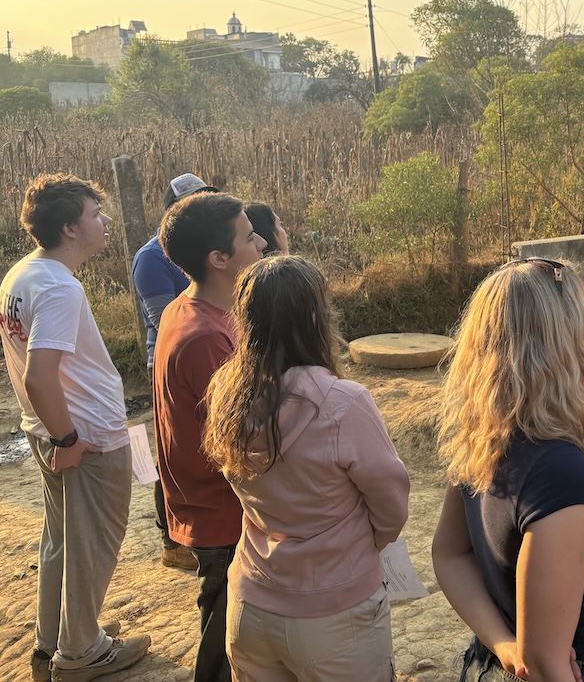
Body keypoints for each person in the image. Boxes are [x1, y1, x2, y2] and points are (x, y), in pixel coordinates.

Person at [431, 258, 584, 682]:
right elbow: (546, 662)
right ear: (565, 348)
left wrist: (503, 645)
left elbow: (449, 554)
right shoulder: (558, 471)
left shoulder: (486, 438)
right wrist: (522, 653)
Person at [203, 256, 410, 681]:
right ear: (316, 318)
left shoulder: (225, 392)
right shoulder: (344, 402)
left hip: (250, 601)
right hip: (335, 614)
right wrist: (357, 548)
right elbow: (391, 507)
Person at [1, 173, 151, 681]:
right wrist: (69, 439)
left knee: (62, 540)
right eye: (94, 214)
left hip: (47, 429)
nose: (105, 221)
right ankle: (81, 651)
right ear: (69, 228)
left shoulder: (22, 273)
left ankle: (53, 640)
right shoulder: (59, 287)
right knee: (92, 547)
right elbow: (39, 376)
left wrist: (57, 434)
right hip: (83, 437)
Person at [157, 193, 265, 682]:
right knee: (225, 638)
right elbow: (239, 442)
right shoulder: (206, 338)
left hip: (213, 504)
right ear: (219, 259)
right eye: (249, 236)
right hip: (223, 512)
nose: (261, 244)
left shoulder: (193, 309)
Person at [132, 171, 216, 573]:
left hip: (208, 346)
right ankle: (172, 540)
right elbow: (165, 318)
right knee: (177, 450)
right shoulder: (151, 257)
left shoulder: (212, 245)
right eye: (193, 202)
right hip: (173, 358)